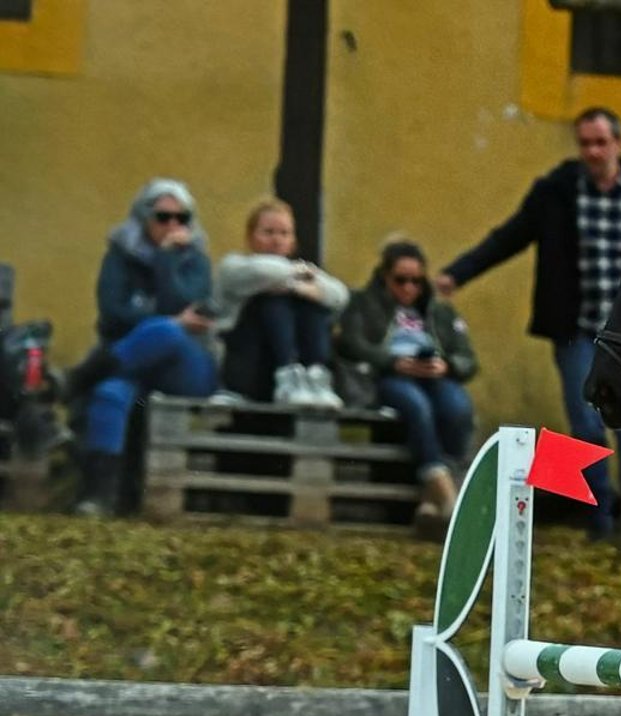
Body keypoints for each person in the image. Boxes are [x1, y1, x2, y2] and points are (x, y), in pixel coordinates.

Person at [435, 107, 621, 539]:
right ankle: (599, 519)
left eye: (601, 142)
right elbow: (509, 236)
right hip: (576, 329)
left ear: (618, 144)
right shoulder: (557, 191)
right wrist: (458, 273)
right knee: (585, 428)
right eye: (585, 143)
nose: (592, 151)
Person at [62, 179, 218, 516]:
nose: (173, 226)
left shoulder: (197, 261)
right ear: (144, 217)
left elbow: (183, 303)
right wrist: (169, 319)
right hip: (131, 363)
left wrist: (166, 259)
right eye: (163, 217)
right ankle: (98, 496)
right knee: (110, 393)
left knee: (168, 331)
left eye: (182, 217)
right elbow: (113, 313)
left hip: (186, 367)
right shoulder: (119, 256)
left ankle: (81, 377)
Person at [336, 239, 478, 533]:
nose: (409, 288)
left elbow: (468, 358)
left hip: (434, 376)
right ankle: (441, 484)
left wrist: (447, 365)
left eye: (416, 280)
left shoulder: (440, 312)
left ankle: (432, 498)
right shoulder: (363, 303)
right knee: (416, 406)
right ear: (385, 277)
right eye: (401, 280)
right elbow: (351, 343)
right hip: (389, 377)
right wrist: (391, 361)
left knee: (458, 407)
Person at [211, 198, 349, 407]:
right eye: (269, 232)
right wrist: (297, 278)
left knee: (313, 301)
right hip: (246, 370)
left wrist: (307, 289)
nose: (277, 240)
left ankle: (314, 375)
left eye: (284, 233)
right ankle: (287, 372)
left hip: (297, 383)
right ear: (250, 236)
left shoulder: (302, 273)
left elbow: (340, 294)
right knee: (273, 300)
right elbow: (264, 271)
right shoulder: (234, 266)